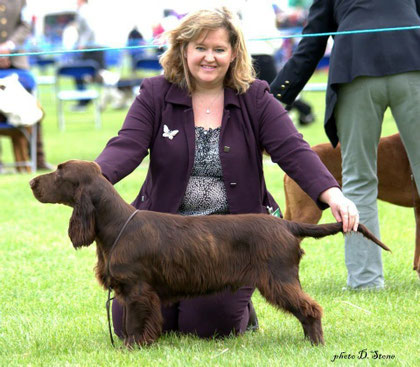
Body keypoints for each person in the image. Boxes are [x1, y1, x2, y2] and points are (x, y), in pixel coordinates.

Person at [95, 7, 359, 340]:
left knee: (208, 326)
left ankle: (242, 303)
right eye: (200, 48)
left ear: (234, 54)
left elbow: (293, 150)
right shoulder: (155, 93)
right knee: (129, 323)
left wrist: (332, 193)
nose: (210, 58)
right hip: (160, 237)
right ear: (183, 50)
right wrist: (95, 177)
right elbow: (127, 145)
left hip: (231, 243)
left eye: (219, 49)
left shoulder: (256, 97)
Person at [270, 0, 420, 290]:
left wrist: (274, 98)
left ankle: (365, 281)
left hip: (355, 66)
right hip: (413, 59)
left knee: (358, 182)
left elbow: (310, 47)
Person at [0, 0, 51, 170]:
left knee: (33, 106)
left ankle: (38, 159)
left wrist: (9, 46)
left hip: (17, 62)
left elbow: (25, 25)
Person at [71, 0, 105, 111]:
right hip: (97, 47)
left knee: (78, 72)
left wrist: (82, 44)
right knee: (102, 76)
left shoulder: (83, 11)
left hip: (91, 48)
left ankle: (83, 101)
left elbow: (88, 30)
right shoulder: (90, 10)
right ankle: (86, 100)